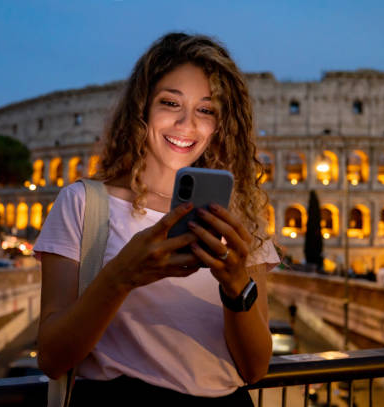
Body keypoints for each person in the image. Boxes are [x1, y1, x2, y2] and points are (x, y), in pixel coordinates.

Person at [34, 33, 279, 406]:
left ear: (220, 123)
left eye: (206, 110)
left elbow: (255, 369)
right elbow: (52, 358)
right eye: (170, 103)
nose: (186, 123)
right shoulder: (83, 204)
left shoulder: (241, 216)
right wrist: (122, 276)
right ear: (142, 107)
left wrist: (236, 285)